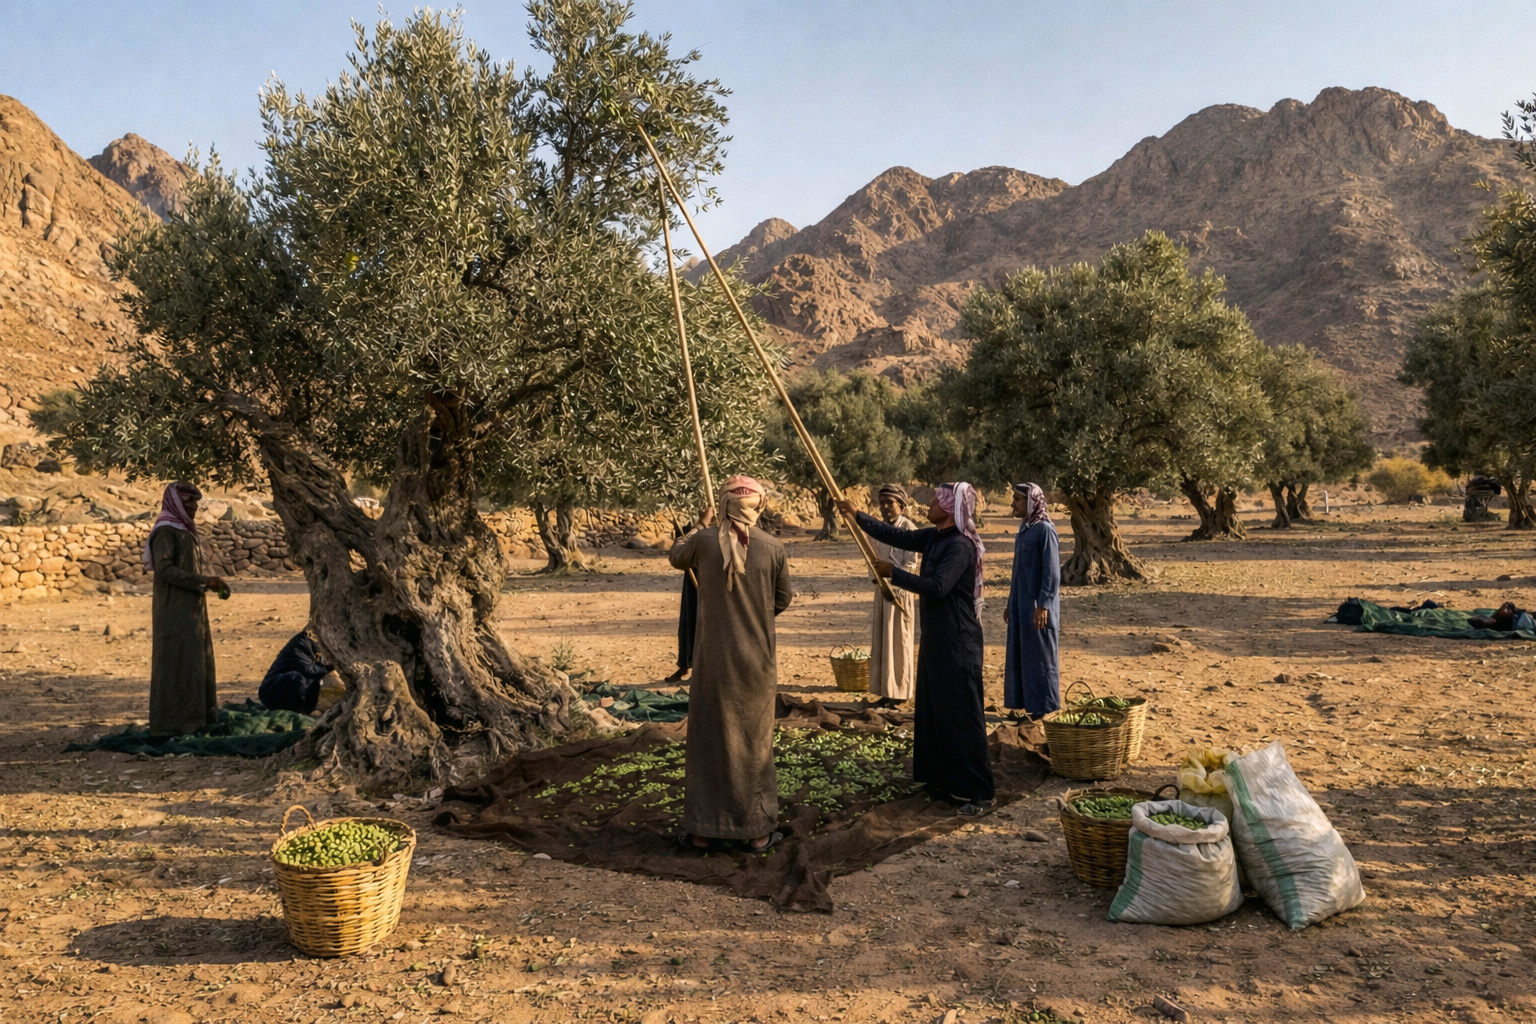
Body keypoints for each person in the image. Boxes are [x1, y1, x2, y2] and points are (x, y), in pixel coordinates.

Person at [837, 482, 993, 817]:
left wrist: (894, 573)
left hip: (958, 642)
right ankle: (941, 778)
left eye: (937, 501)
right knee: (934, 709)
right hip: (938, 638)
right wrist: (856, 515)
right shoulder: (935, 536)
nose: (930, 504)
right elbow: (899, 538)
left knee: (961, 715)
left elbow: (938, 588)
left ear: (950, 509)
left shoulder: (960, 546)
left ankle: (977, 792)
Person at [668, 475, 793, 852]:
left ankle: (703, 831)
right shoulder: (773, 547)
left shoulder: (703, 543)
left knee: (709, 741)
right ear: (758, 506)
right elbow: (782, 599)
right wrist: (753, 612)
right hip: (756, 665)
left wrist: (700, 524)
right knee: (755, 745)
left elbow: (676, 555)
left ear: (723, 504)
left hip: (713, 665)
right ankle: (755, 833)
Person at [143, 482, 224, 740]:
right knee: (175, 663)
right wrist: (204, 581)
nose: (195, 507)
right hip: (173, 611)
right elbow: (164, 570)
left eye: (196, 502)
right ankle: (171, 724)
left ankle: (197, 719)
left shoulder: (184, 530)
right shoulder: (166, 531)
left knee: (194, 662)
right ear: (177, 503)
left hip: (191, 609)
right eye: (189, 502)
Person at [1003, 483, 1061, 720]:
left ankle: (1043, 707)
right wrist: (1010, 603)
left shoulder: (1045, 530)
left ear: (1031, 501)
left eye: (1017, 499)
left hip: (1038, 606)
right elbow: (1018, 571)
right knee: (1023, 653)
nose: (1013, 504)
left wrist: (1044, 605)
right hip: (1021, 604)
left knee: (1040, 654)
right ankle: (1026, 704)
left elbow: (1052, 572)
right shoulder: (1025, 528)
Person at [867, 484, 918, 707]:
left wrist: (894, 582)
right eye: (883, 503)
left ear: (902, 506)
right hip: (881, 590)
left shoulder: (908, 529)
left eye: (890, 503)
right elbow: (871, 559)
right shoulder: (877, 531)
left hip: (900, 593)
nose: (886, 507)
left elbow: (911, 563)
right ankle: (886, 690)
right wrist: (879, 581)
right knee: (883, 641)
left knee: (900, 641)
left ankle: (901, 691)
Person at [259, 629, 335, 715]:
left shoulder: (313, 648)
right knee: (296, 677)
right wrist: (331, 666)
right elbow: (309, 670)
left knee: (314, 682)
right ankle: (298, 710)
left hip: (288, 691)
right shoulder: (298, 645)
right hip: (269, 692)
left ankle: (305, 710)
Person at [663, 523, 701, 684]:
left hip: (713, 576)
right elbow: (680, 554)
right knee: (689, 618)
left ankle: (702, 670)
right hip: (695, 568)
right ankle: (685, 664)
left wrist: (701, 525)